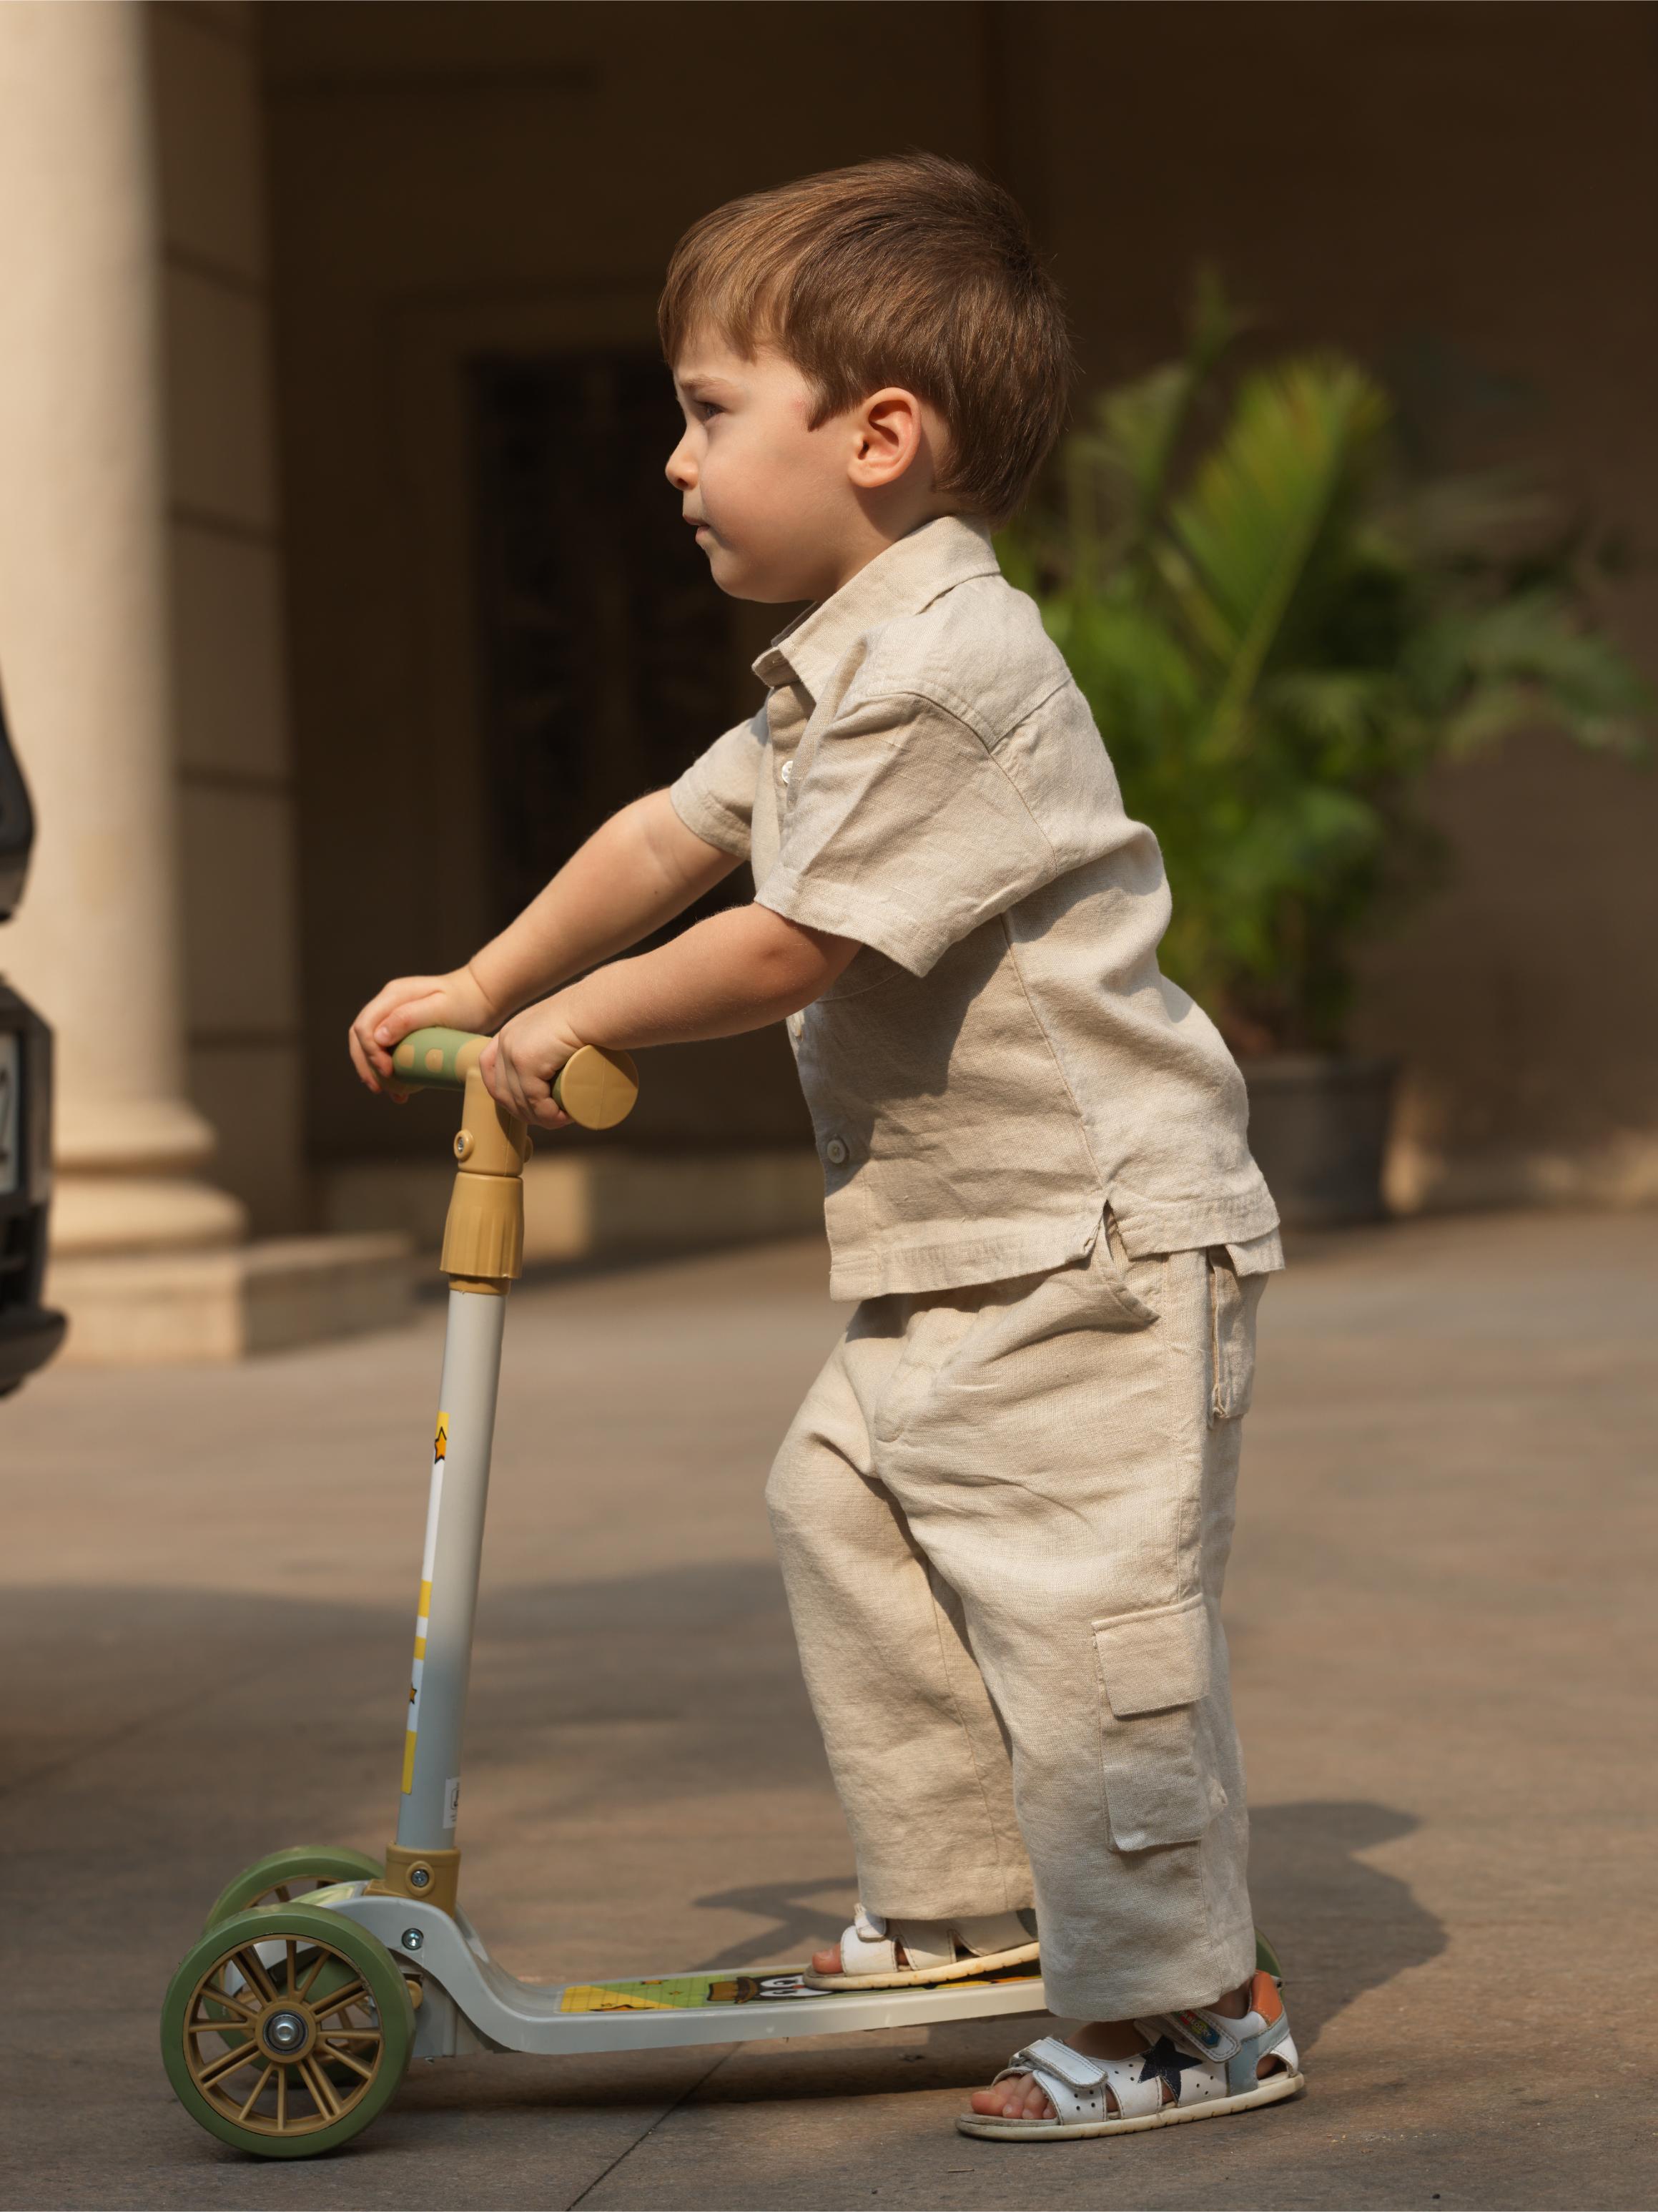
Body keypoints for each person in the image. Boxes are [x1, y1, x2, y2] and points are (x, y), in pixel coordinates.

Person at [348, 153, 1301, 2143]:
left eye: (708, 409)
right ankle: (967, 1909)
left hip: (1095, 1242)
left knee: (1087, 1619)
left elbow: (801, 935)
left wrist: (580, 1018)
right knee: (838, 1510)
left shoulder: (956, 671)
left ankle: (1184, 2007)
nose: (675, 462)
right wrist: (489, 972)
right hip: (962, 1246)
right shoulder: (832, 670)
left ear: (879, 436)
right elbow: (667, 839)